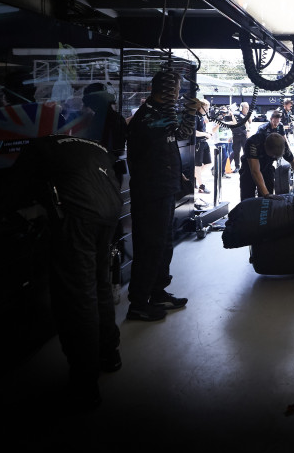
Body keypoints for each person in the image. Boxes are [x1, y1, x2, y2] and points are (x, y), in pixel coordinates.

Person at [11, 134, 124, 409]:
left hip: (79, 217)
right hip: (110, 210)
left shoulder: (37, 148)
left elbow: (14, 193)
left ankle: (85, 385)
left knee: (78, 296)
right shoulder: (90, 143)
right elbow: (116, 171)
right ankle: (110, 355)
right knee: (100, 283)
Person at [125, 69, 200, 322]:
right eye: (176, 89)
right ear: (167, 90)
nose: (178, 94)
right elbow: (181, 134)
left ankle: (157, 293)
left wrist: (178, 176)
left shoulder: (160, 114)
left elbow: (166, 148)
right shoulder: (148, 117)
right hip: (151, 193)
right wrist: (190, 113)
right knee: (150, 247)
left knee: (164, 245)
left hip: (165, 189)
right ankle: (138, 303)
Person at [238, 130, 294, 201]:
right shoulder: (253, 144)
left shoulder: (282, 145)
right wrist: (266, 194)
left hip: (267, 167)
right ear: (265, 146)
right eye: (273, 155)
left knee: (267, 197)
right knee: (248, 197)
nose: (274, 157)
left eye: (276, 156)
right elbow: (255, 171)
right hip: (249, 169)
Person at [79, 82, 128, 183]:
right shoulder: (116, 117)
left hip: (103, 169)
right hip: (112, 168)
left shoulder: (101, 119)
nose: (90, 105)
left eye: (91, 101)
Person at [194, 98, 218, 194]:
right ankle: (201, 185)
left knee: (208, 163)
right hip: (198, 143)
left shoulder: (202, 116)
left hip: (204, 142)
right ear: (200, 107)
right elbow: (195, 132)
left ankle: (194, 175)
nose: (207, 110)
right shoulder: (195, 117)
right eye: (206, 107)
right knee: (198, 165)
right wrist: (205, 134)